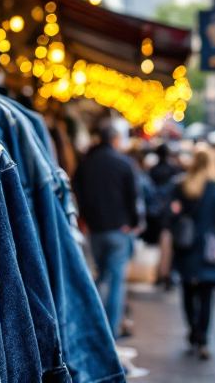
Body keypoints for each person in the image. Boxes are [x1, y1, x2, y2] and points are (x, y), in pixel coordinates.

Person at [73, 123, 143, 339]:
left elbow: (76, 191)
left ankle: (96, 328)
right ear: (115, 140)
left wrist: (87, 217)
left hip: (95, 229)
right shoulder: (123, 163)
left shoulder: (86, 164)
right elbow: (133, 197)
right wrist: (133, 222)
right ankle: (110, 332)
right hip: (118, 228)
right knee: (114, 282)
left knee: (100, 277)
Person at [169, 143, 215, 360]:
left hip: (186, 246)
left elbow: (171, 215)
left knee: (187, 291)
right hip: (208, 249)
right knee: (206, 296)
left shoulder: (181, 184)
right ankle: (202, 336)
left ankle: (193, 329)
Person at [147, 144, 184, 289]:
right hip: (168, 213)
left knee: (162, 245)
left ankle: (162, 274)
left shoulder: (154, 170)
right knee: (170, 245)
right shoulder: (174, 170)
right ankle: (167, 274)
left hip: (158, 213)